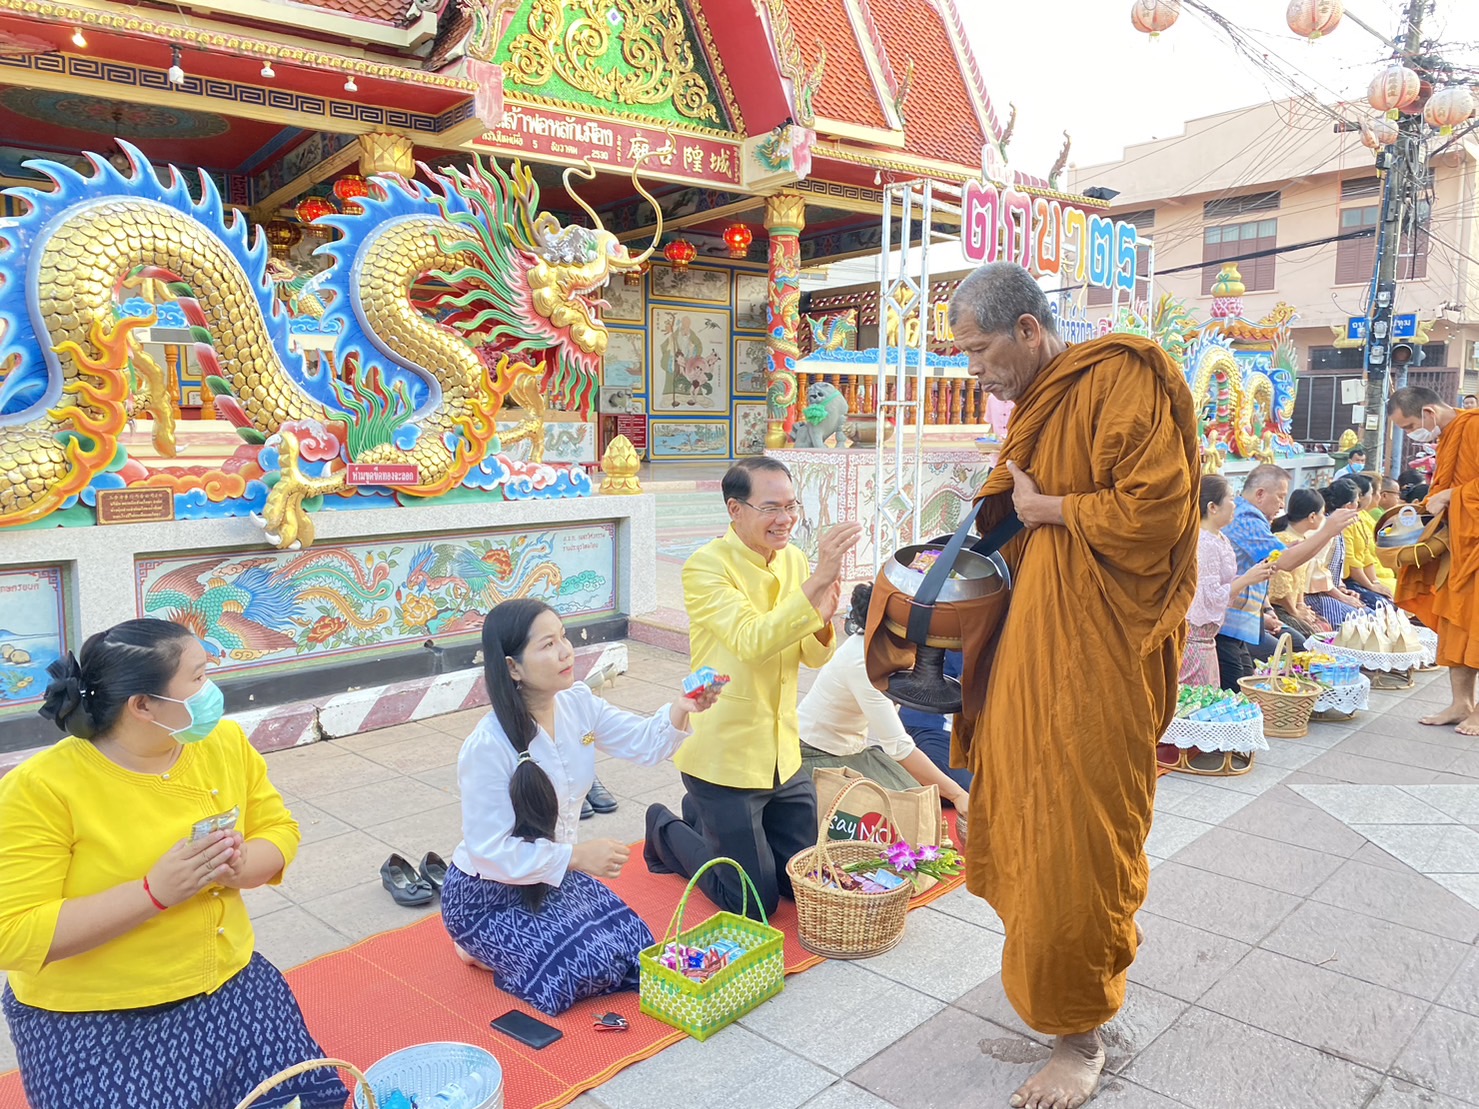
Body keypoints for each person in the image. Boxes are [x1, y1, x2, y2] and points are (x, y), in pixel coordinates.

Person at [946, 261, 1199, 1109]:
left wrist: (1053, 509)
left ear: (1026, 329)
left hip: (1094, 664)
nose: (975, 369)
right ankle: (1052, 986)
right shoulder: (1036, 404)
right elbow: (1009, 507)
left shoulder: (1120, 376)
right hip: (1033, 650)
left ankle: (1079, 1037)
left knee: (1079, 843)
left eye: (981, 350)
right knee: (1024, 824)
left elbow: (1158, 513)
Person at [0, 619, 345, 1109]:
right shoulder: (41, 788)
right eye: (199, 677)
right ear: (142, 705)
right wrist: (154, 892)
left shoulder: (221, 743)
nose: (212, 690)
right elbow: (12, 933)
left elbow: (279, 830)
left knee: (307, 1098)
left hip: (229, 984)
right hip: (95, 1019)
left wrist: (240, 865)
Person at [443, 599, 719, 1016]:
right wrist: (576, 857)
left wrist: (683, 706)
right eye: (547, 644)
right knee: (580, 967)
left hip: (550, 876)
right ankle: (472, 945)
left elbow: (644, 743)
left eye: (564, 637)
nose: (566, 651)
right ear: (513, 667)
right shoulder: (487, 747)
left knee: (634, 945)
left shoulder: (578, 703)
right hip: (489, 894)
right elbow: (489, 851)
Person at [644, 457, 862, 918]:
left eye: (791, 506)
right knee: (753, 904)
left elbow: (812, 656)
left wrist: (823, 623)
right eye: (770, 508)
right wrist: (819, 580)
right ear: (735, 509)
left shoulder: (795, 560)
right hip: (725, 753)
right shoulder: (706, 566)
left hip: (782, 753)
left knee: (802, 880)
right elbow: (752, 641)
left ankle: (703, 816)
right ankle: (663, 829)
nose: (784, 519)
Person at [797, 584, 971, 813]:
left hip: (852, 750)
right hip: (815, 754)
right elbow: (898, 746)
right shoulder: (862, 661)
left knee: (913, 799)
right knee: (903, 809)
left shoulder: (887, 646)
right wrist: (958, 794)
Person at [1388, 386, 1479, 733]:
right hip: (1460, 542)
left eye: (1410, 426)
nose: (1412, 435)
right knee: (1456, 623)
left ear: (1428, 412)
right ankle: (1461, 703)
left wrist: (1453, 494)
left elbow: (1458, 487)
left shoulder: (1473, 426)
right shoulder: (1449, 436)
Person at [1219, 465, 1361, 688]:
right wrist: (1327, 530)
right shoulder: (1246, 517)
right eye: (1280, 497)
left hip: (1244, 619)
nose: (1282, 505)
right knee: (1240, 687)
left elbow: (1277, 565)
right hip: (1228, 620)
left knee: (1246, 685)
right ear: (1260, 494)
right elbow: (1285, 562)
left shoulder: (1254, 519)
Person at [1181, 475, 1274, 687]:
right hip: (1196, 636)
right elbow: (1207, 596)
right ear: (1212, 507)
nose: (1235, 504)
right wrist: (1248, 578)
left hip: (1207, 638)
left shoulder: (1219, 538)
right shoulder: (1204, 543)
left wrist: (1251, 577)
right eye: (1231, 498)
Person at [1267, 488, 1361, 634]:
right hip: (1279, 607)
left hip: (1294, 605)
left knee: (1323, 627)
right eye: (1322, 514)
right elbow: (1281, 587)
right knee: (1311, 637)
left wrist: (1301, 605)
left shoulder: (1303, 539)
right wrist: (1296, 613)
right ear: (1312, 517)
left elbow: (1300, 580)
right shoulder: (1283, 539)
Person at [898, 650, 970, 795]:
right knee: (980, 791)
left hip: (935, 728)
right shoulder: (964, 638)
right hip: (925, 728)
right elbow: (981, 683)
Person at [1343, 473, 1394, 603]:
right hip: (1351, 580)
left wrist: (1375, 582)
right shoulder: (1344, 523)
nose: (1374, 498)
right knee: (1384, 603)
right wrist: (1371, 585)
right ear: (1360, 497)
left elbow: (1366, 555)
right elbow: (1352, 562)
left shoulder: (1361, 518)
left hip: (1368, 576)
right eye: (1371, 494)